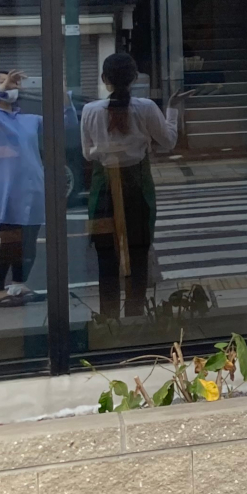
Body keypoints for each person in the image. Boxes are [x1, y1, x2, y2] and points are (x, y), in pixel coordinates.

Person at [80, 53, 187, 321]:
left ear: (105, 80)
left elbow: (87, 154)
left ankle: (108, 322)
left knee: (106, 259)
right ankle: (136, 320)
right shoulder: (147, 107)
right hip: (138, 188)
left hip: (104, 188)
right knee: (138, 255)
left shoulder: (90, 111)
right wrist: (172, 109)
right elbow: (169, 141)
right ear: (135, 78)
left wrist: (106, 149)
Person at [0, 70, 46, 306]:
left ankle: (19, 285)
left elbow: (65, 122)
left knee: (29, 240)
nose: (11, 85)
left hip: (33, 187)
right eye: (3, 81)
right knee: (10, 241)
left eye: (13, 81)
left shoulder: (28, 119)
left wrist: (60, 90)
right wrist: (0, 87)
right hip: (6, 189)